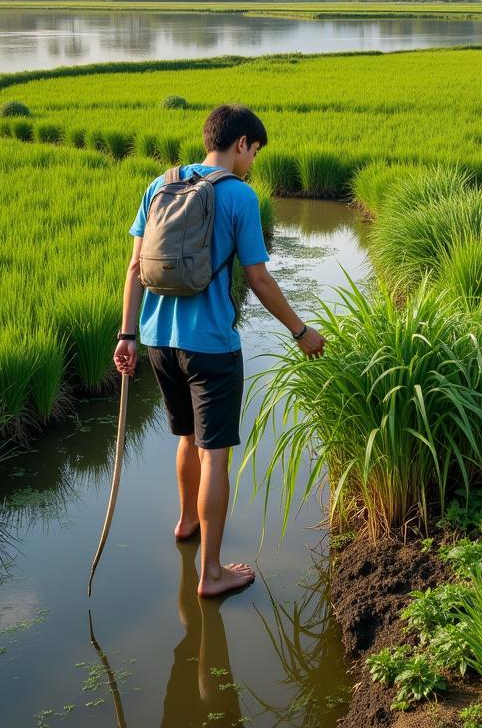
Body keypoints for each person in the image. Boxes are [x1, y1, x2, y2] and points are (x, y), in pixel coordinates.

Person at [114, 104, 325, 597]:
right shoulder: (239, 197)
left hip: (158, 341)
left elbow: (133, 268)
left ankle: (187, 521)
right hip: (210, 346)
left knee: (186, 438)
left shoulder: (161, 183)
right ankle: (211, 574)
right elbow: (258, 278)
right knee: (217, 457)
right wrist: (300, 331)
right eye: (254, 151)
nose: (253, 161)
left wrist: (127, 336)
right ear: (241, 144)